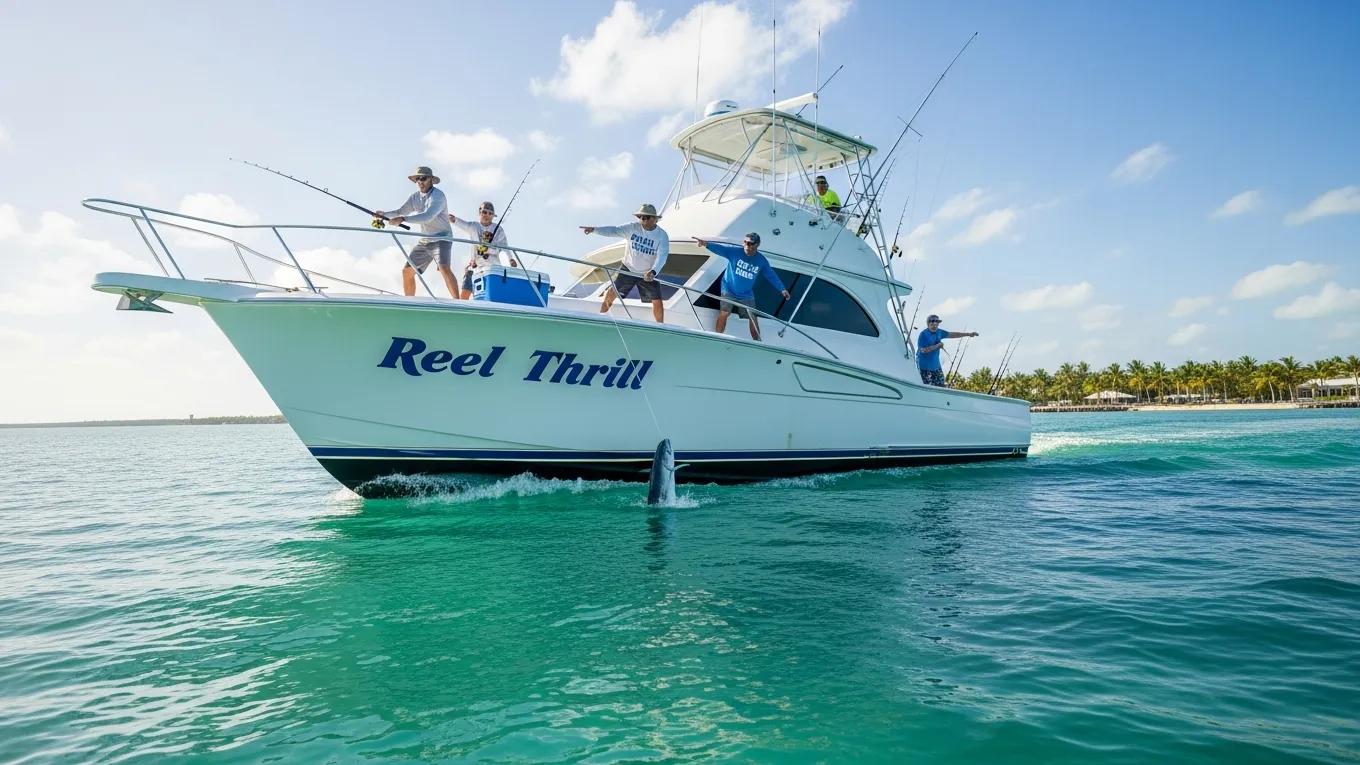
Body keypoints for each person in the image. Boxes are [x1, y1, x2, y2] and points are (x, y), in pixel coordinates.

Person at [376, 166, 458, 298]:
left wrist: (403, 219)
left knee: (444, 268)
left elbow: (428, 216)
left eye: (423, 178)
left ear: (431, 179)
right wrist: (384, 215)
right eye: (417, 179)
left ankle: (458, 303)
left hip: (442, 238)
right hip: (425, 240)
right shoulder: (414, 197)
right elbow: (399, 212)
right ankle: (409, 302)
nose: (420, 181)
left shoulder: (438, 196)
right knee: (407, 271)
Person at [580, 203, 670, 323]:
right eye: (640, 217)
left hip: (647, 273)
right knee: (612, 292)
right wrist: (594, 230)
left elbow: (662, 257)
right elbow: (614, 230)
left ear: (654, 219)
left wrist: (653, 271)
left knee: (657, 300)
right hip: (628, 269)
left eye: (646, 217)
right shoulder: (632, 228)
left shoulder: (662, 236)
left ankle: (661, 326)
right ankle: (601, 316)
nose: (642, 220)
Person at [692, 233, 790, 341]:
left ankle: (757, 342)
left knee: (752, 317)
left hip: (746, 294)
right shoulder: (735, 252)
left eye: (750, 243)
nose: (747, 245)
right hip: (728, 289)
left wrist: (782, 289)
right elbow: (720, 248)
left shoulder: (761, 260)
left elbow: (770, 275)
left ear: (757, 245)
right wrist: (705, 244)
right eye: (745, 242)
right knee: (724, 312)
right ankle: (717, 338)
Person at [449, 201, 517, 299]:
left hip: (491, 269)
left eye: (490, 213)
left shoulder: (499, 230)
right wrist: (453, 219)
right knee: (464, 296)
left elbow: (504, 246)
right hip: (475, 267)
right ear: (480, 213)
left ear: (493, 216)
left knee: (488, 297)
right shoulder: (474, 226)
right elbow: (462, 224)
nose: (487, 215)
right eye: (484, 212)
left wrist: (511, 259)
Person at [916, 314, 977, 387]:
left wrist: (969, 334)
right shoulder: (923, 335)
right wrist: (937, 345)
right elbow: (923, 350)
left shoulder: (939, 332)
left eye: (937, 322)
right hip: (924, 367)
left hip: (936, 366)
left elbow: (953, 334)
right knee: (928, 387)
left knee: (941, 386)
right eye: (932, 322)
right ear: (928, 323)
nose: (935, 324)